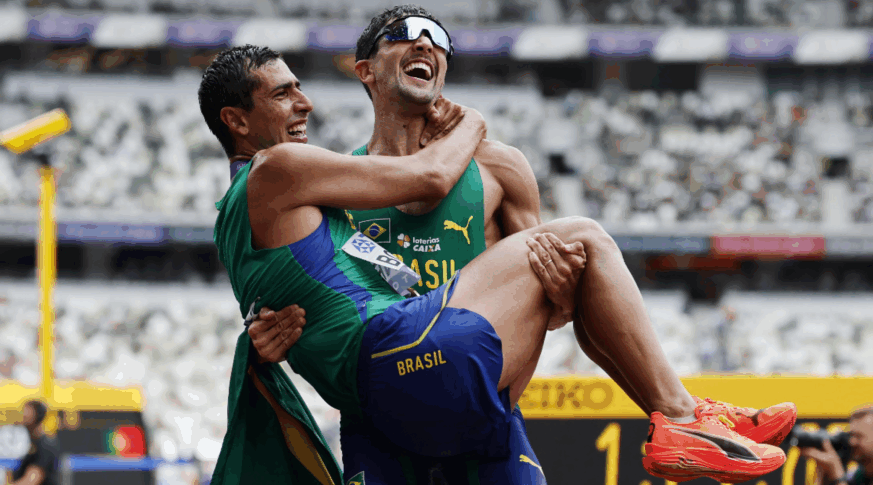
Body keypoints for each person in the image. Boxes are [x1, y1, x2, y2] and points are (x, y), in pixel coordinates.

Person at [200, 37, 789, 485]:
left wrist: (259, 336)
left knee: (567, 263)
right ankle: (679, 416)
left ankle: (685, 417)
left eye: (297, 86)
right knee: (582, 237)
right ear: (236, 121)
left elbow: (289, 288)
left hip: (402, 384)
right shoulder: (278, 169)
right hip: (402, 358)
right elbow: (431, 176)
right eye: (282, 93)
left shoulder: (247, 211)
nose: (304, 101)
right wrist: (474, 123)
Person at [801, 405, 873, 485]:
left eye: (858, 436)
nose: (851, 441)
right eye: (851, 435)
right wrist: (825, 473)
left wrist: (837, 475)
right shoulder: (858, 476)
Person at [11, 400, 59, 485]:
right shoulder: (32, 444)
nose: (23, 415)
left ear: (37, 416)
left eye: (27, 412)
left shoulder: (45, 445)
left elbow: (31, 481)